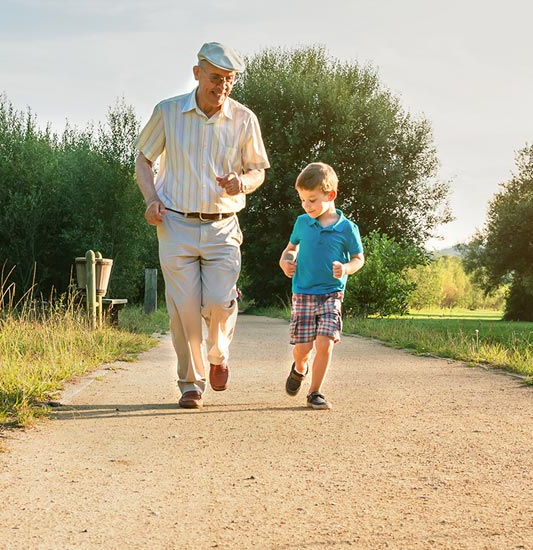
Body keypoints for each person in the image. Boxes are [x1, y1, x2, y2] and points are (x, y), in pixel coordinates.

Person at [134, 42, 270, 409]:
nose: (222, 87)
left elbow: (258, 169)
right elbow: (144, 160)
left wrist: (243, 182)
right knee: (185, 308)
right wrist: (151, 199)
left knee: (219, 302)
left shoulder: (244, 119)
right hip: (175, 223)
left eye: (229, 80)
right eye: (215, 78)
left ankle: (218, 354)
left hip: (223, 226)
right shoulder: (168, 112)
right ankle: (191, 384)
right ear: (197, 73)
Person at [278, 162, 365, 410]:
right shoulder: (302, 223)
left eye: (312, 200)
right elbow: (290, 249)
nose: (307, 206)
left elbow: (359, 258)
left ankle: (315, 392)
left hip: (331, 293)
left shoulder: (347, 228)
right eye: (303, 200)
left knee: (325, 343)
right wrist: (286, 262)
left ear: (331, 195)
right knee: (303, 348)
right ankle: (299, 368)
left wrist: (346, 268)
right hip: (303, 292)